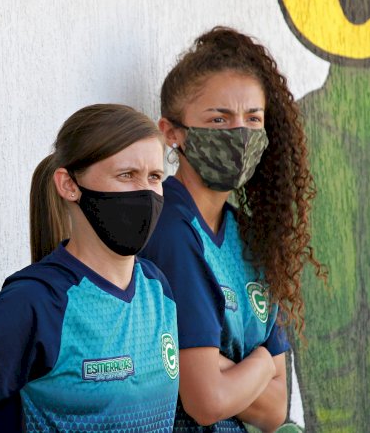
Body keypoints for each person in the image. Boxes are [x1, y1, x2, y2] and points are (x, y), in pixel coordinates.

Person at [139, 26, 326, 432]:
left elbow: (277, 409)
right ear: (172, 133)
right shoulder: (170, 229)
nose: (239, 134)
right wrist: (261, 362)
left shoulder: (251, 237)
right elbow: (207, 401)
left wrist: (230, 371)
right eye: (219, 118)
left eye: (252, 118)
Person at [0, 104, 180, 432]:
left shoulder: (157, 287)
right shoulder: (31, 304)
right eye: (126, 175)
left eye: (154, 177)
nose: (146, 192)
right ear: (69, 185)